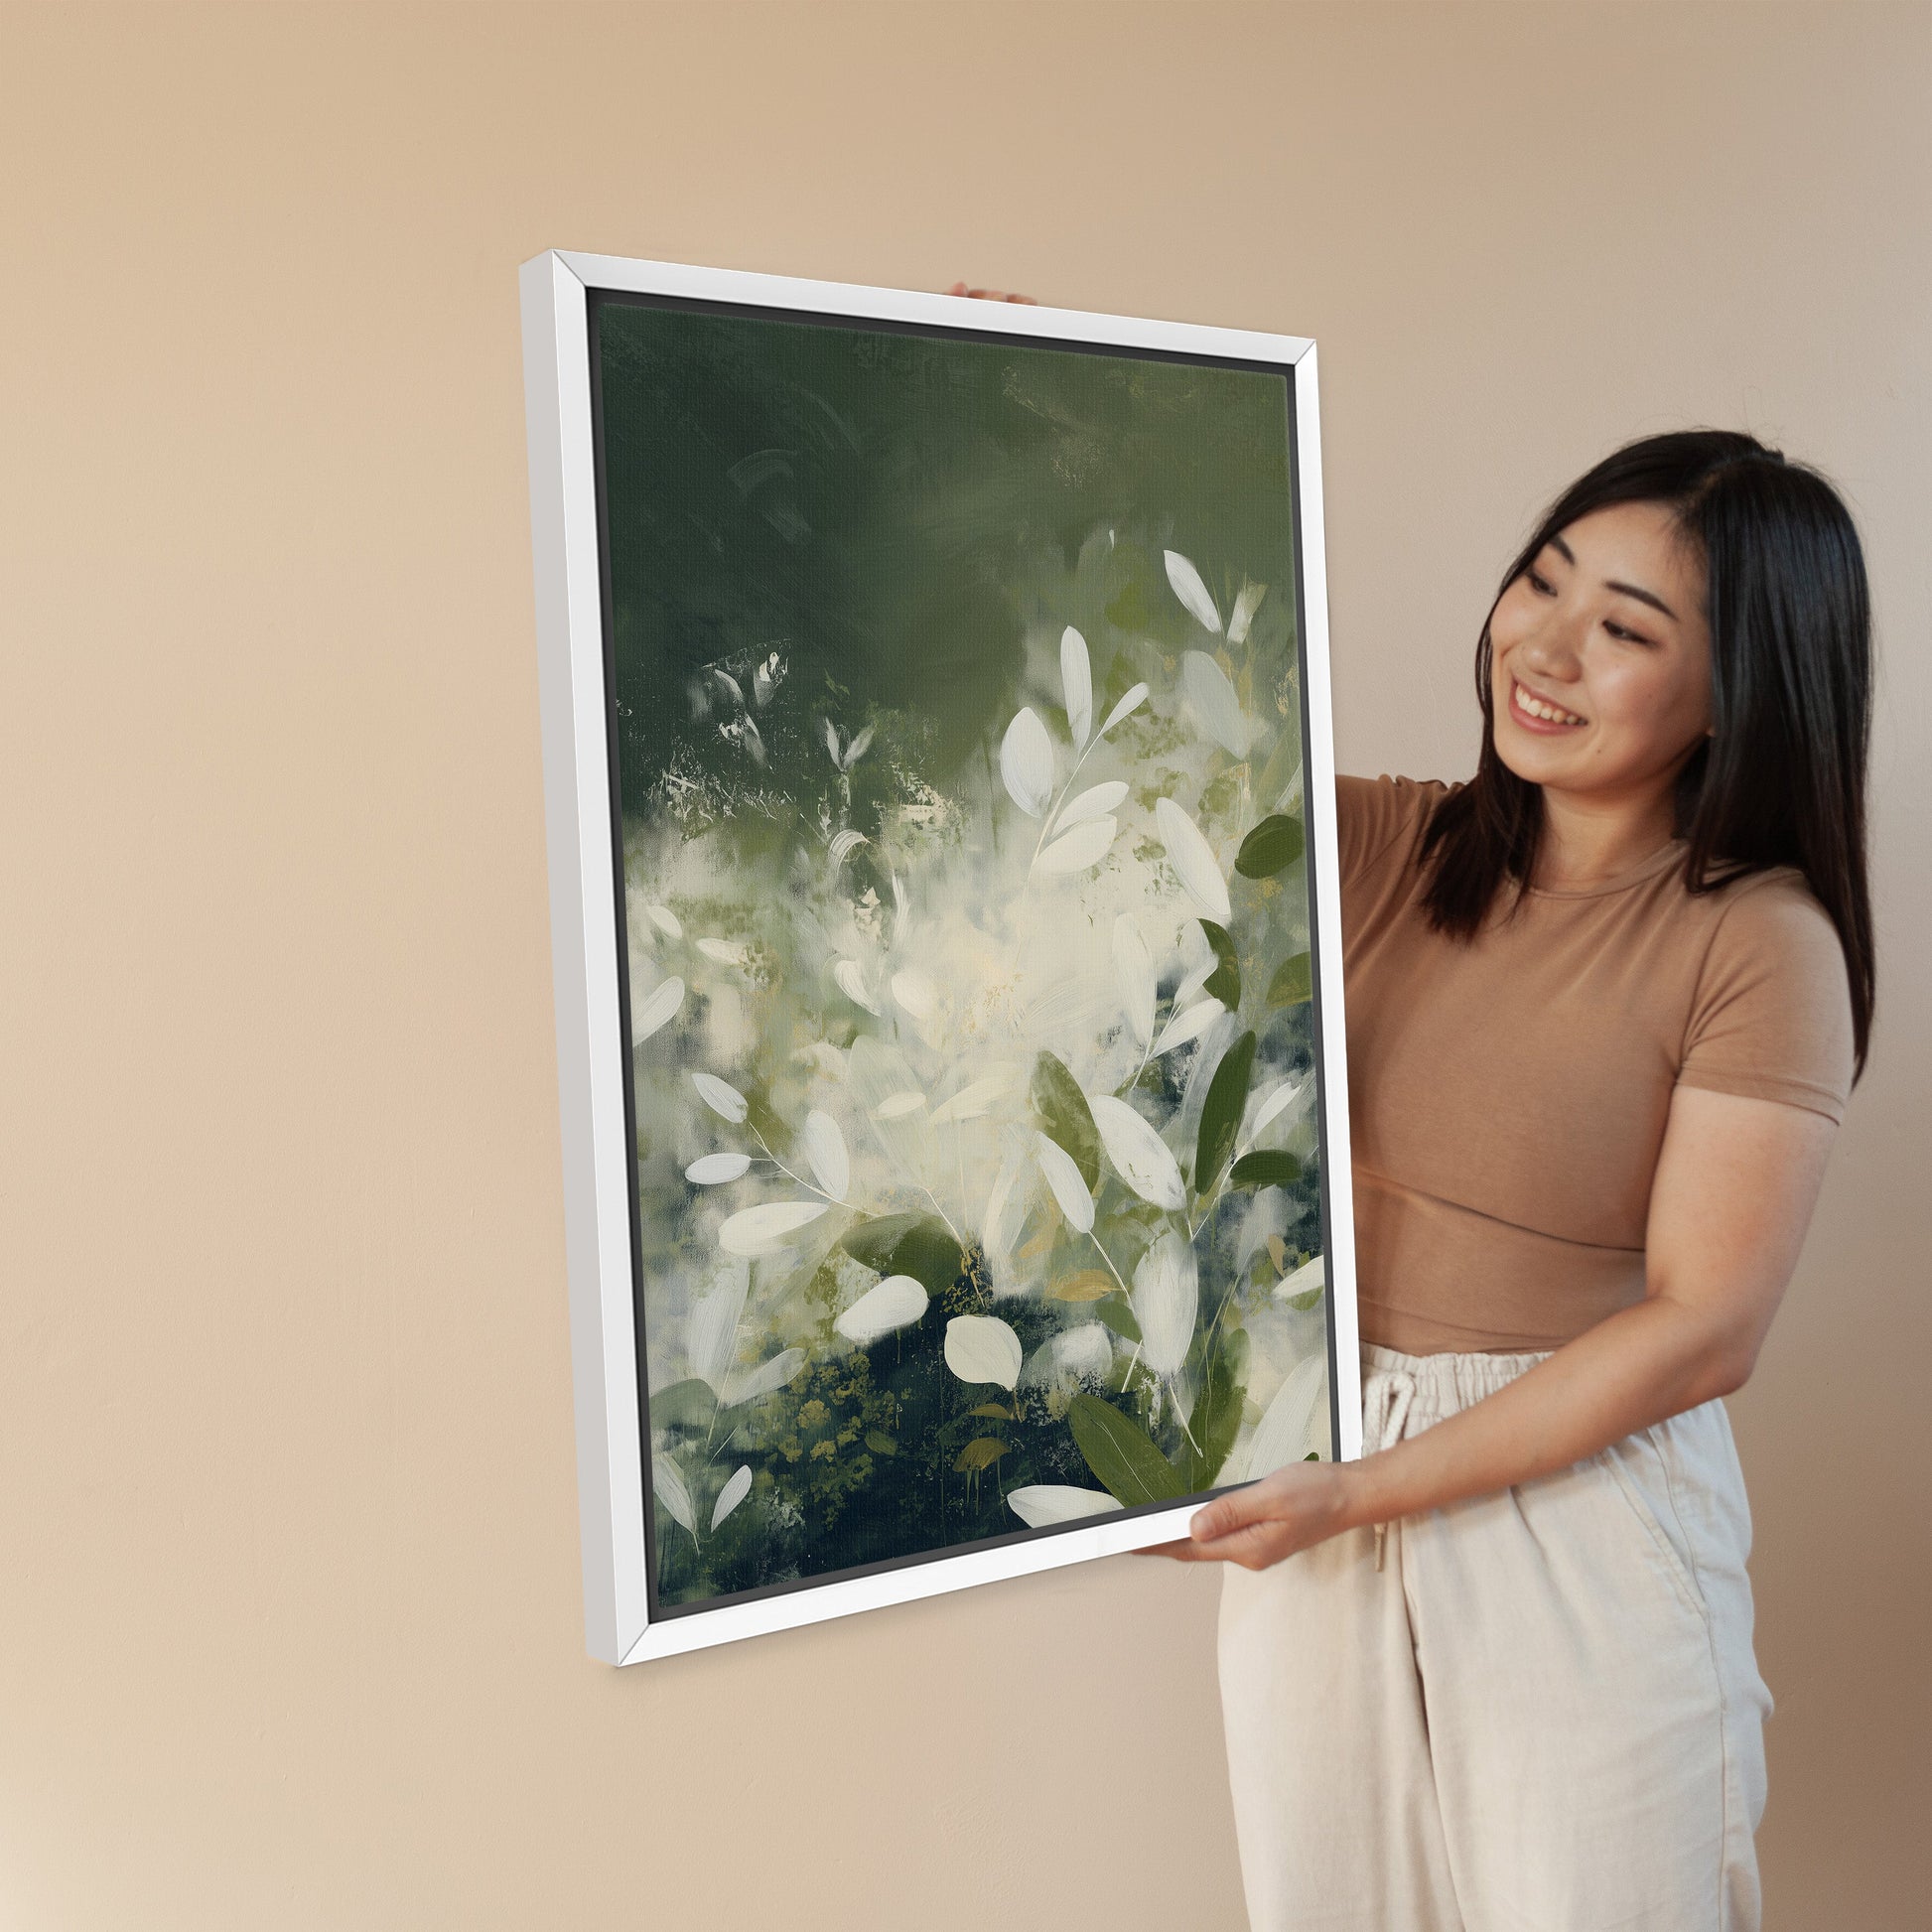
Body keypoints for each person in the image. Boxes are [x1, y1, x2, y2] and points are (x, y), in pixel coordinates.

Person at [942, 292, 1872, 1925]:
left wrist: (1362, 1489)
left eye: (1626, 628)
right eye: (1539, 579)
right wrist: (1027, 422)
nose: (1543, 644)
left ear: (1738, 691)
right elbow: (1083, 782)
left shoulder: (1757, 938)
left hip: (1580, 1513)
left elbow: (1704, 1325)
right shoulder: (1372, 839)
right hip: (1317, 1473)